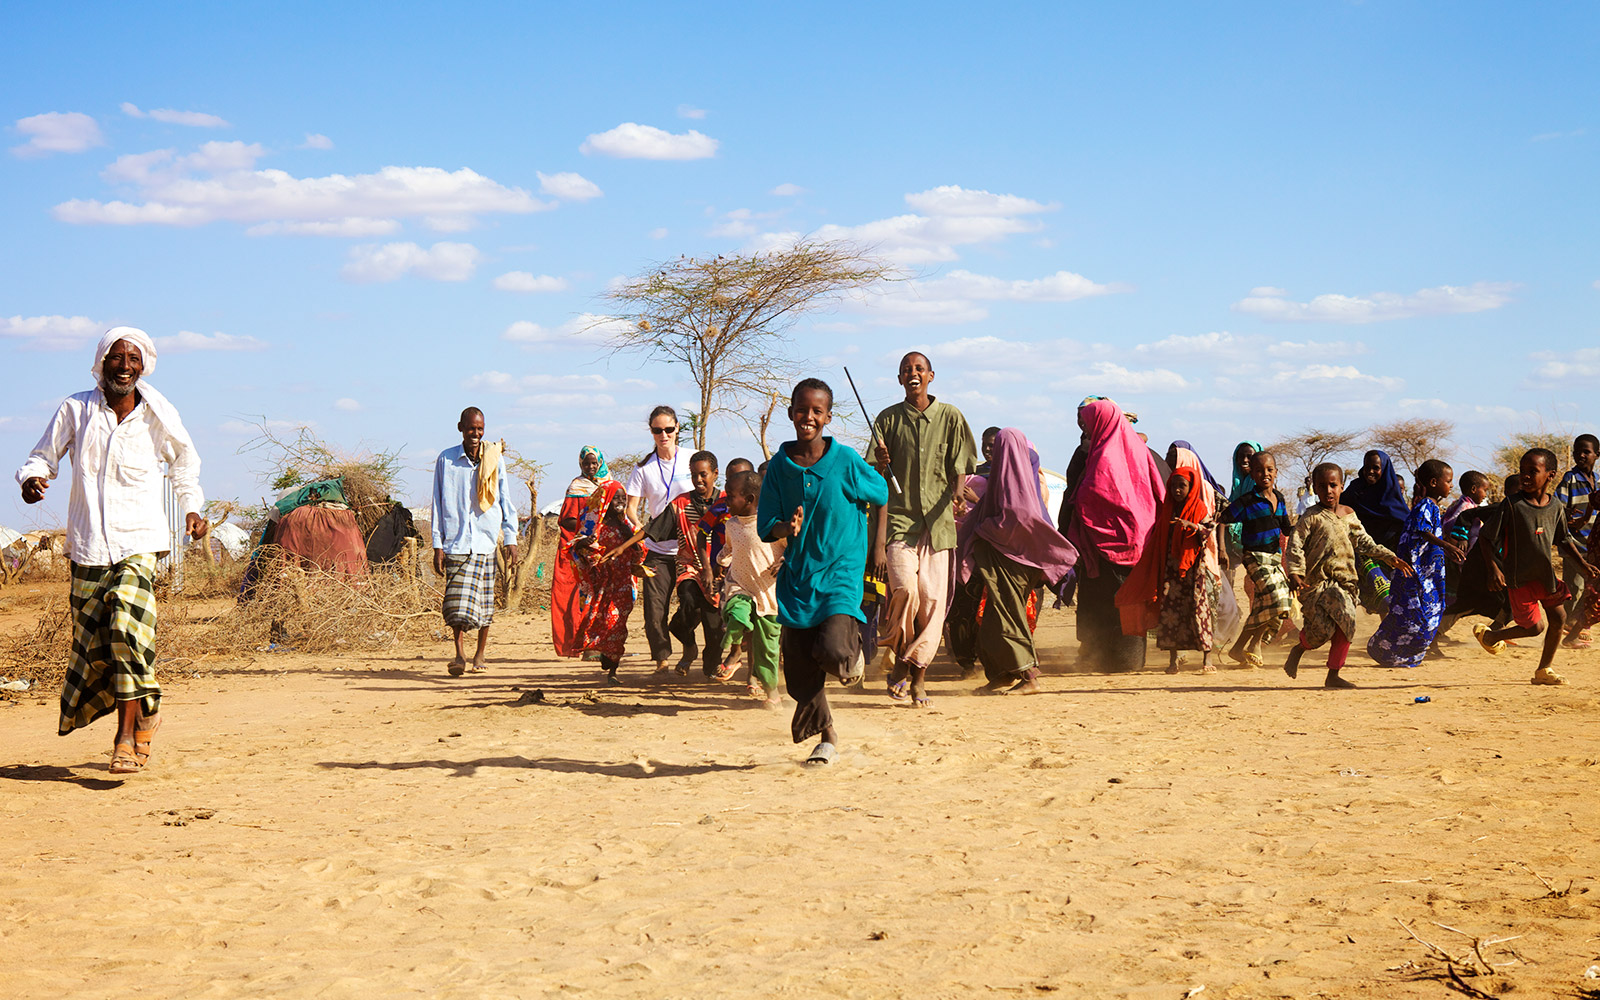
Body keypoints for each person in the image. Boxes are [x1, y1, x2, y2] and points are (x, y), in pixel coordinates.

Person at [17, 327, 207, 775]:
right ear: (101, 363)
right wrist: (32, 480)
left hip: (139, 540)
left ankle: (124, 738)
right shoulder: (77, 409)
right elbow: (43, 456)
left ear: (144, 367)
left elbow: (185, 462)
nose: (124, 366)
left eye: (133, 359)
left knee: (125, 623)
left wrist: (192, 509)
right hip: (87, 545)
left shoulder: (158, 415)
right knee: (97, 641)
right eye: (116, 358)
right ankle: (148, 709)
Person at [758, 378, 888, 765]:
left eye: (817, 411)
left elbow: (880, 494)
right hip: (798, 576)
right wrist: (787, 529)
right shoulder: (779, 467)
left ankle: (851, 656)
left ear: (828, 416)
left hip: (841, 570)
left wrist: (877, 546)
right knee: (798, 673)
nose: (808, 417)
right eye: (802, 409)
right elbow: (768, 524)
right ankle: (827, 734)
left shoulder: (846, 460)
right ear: (791, 413)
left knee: (832, 649)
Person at [871, 351, 977, 706]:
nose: (912, 373)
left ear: (931, 375)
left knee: (932, 601)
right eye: (906, 370)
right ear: (900, 379)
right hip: (901, 523)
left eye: (918, 368)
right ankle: (902, 661)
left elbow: (961, 462)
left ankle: (914, 675)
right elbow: (874, 476)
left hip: (939, 524)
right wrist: (882, 466)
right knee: (905, 591)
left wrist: (959, 490)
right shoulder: (887, 420)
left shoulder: (951, 416)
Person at [957, 429, 1077, 694]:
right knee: (990, 623)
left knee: (1007, 618)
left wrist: (982, 530)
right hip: (1002, 564)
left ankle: (1028, 675)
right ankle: (1002, 674)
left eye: (998, 447)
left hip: (1012, 565)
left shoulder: (1018, 490)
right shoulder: (1005, 483)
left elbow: (1014, 523)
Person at [1473, 449, 1598, 685]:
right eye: (1523, 472)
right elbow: (1486, 537)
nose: (1525, 477)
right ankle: (1491, 636)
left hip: (1545, 577)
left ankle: (1544, 670)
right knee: (1534, 627)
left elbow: (1563, 539)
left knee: (1559, 618)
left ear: (1550, 475)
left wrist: (1582, 564)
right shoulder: (1512, 505)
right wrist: (1494, 569)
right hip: (1520, 579)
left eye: (1533, 472)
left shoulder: (1556, 507)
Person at [1284, 463, 1410, 688]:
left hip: (1345, 584)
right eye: (1322, 486)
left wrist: (1389, 557)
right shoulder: (1311, 517)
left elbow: (1364, 541)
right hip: (1316, 585)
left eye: (1333, 485)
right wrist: (1295, 572)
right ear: (1314, 488)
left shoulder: (1349, 514)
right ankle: (1300, 647)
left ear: (1341, 487)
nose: (1328, 490)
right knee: (1320, 633)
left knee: (1347, 624)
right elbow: (1295, 545)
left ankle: (1333, 674)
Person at [1062, 397, 1166, 672]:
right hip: (1138, 540)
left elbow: (1092, 495)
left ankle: (1117, 660)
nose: (1084, 426)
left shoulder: (1101, 455)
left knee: (1112, 602)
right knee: (1127, 601)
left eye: (1088, 421)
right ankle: (1123, 659)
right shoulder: (1140, 451)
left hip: (1107, 542)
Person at [431, 407, 519, 676]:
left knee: (484, 603)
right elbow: (437, 502)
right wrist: (437, 544)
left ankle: (480, 653)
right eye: (471, 429)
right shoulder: (446, 460)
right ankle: (459, 655)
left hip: (485, 540)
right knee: (455, 603)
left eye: (480, 429)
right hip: (456, 541)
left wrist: (511, 538)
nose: (476, 434)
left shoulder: (494, 459)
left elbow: (505, 499)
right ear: (461, 428)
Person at [1116, 466, 1215, 674]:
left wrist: (1192, 526)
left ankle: (1207, 659)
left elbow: (1208, 529)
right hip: (1170, 568)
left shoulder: (1199, 508)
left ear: (1192, 487)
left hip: (1193, 570)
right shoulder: (1167, 510)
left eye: (1182, 486)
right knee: (1171, 611)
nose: (1177, 490)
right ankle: (1173, 661)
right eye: (1174, 486)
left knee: (1198, 610)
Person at [1368, 460, 1462, 668]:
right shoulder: (1425, 506)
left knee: (1425, 614)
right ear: (1434, 482)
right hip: (1417, 573)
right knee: (1417, 615)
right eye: (1448, 481)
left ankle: (1403, 656)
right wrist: (1447, 546)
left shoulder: (1433, 506)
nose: (1451, 486)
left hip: (1428, 573)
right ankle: (1382, 649)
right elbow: (1422, 530)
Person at [626, 405, 694, 675]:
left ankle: (689, 644)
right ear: (651, 432)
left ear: (677, 428)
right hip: (657, 550)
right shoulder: (643, 468)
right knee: (654, 611)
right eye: (657, 430)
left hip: (690, 549)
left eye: (668, 429)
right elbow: (631, 508)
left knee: (693, 604)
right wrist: (643, 530)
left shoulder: (692, 459)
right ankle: (662, 660)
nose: (663, 435)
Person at [715, 469, 785, 705]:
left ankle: (772, 692)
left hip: (768, 592)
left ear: (749, 499)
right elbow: (730, 549)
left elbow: (790, 547)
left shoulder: (771, 524)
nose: (726, 500)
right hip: (740, 585)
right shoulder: (732, 524)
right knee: (736, 614)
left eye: (731, 496)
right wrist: (720, 560)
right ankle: (734, 652)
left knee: (768, 649)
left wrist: (783, 562)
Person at [1219, 451, 1293, 668]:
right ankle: (1255, 644)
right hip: (1254, 557)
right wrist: (1222, 548)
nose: (1265, 474)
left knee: (1273, 604)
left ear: (1276, 472)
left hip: (1274, 558)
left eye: (1269, 470)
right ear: (1252, 474)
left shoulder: (1279, 498)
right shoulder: (1246, 501)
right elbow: (1223, 519)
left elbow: (1287, 528)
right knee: (1276, 599)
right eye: (1259, 470)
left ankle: (1238, 648)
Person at [569, 482, 647, 683]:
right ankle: (602, 652)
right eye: (616, 498)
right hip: (601, 585)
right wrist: (584, 545)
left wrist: (633, 541)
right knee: (599, 620)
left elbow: (640, 551)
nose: (621, 502)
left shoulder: (627, 526)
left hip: (622, 584)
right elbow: (577, 549)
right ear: (606, 500)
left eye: (623, 498)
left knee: (617, 623)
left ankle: (613, 666)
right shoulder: (594, 526)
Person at [666, 450, 726, 678]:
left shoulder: (728, 501)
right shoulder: (680, 504)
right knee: (689, 602)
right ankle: (689, 645)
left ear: (715, 474)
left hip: (719, 570)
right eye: (693, 475)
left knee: (714, 628)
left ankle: (710, 670)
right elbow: (655, 528)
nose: (698, 480)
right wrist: (626, 546)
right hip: (689, 566)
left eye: (703, 474)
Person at [553, 446, 615, 658]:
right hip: (579, 550)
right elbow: (567, 519)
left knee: (603, 596)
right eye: (586, 463)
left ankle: (598, 643)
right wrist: (587, 530)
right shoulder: (576, 487)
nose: (590, 467)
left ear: (600, 463)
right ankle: (582, 645)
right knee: (581, 598)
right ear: (580, 464)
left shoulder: (609, 485)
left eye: (594, 463)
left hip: (602, 548)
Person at [1341, 449, 1409, 615]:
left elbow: (1405, 524)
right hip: (1362, 551)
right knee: (1384, 597)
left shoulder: (1393, 493)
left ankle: (1385, 635)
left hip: (1391, 554)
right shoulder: (1355, 489)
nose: (1370, 472)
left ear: (1384, 469)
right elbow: (1338, 510)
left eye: (1375, 468)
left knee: (1392, 597)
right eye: (1367, 467)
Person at [1555, 434, 1598, 643]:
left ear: (1597, 455)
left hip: (1594, 543)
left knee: (1591, 585)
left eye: (1586, 452)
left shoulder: (1598, 480)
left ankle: (1573, 622)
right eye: (1577, 451)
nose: (1580, 455)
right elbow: (1557, 506)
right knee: (1575, 584)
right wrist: (1566, 515)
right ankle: (1567, 624)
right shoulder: (1569, 479)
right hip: (1573, 541)